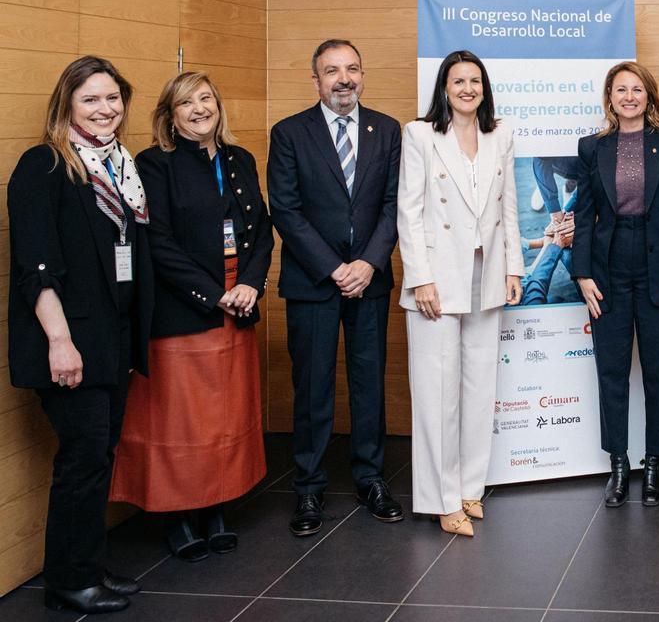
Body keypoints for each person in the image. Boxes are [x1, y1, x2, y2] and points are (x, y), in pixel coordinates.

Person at [8, 55, 153, 614]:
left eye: (113, 98)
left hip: (111, 339)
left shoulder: (120, 167)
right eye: (91, 99)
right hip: (68, 341)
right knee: (83, 457)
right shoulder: (43, 166)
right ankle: (68, 581)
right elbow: (36, 265)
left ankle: (86, 565)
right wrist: (60, 342)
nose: (105, 109)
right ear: (66, 104)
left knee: (99, 455)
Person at [109, 72, 273, 561]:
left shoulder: (239, 159)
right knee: (182, 426)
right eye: (187, 103)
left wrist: (250, 284)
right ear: (170, 115)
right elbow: (156, 242)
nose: (200, 109)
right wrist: (212, 294)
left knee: (226, 419)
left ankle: (216, 508)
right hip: (185, 314)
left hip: (237, 309)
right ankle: (179, 516)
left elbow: (262, 230)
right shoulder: (154, 164)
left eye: (206, 99)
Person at [267, 39, 404, 537]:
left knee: (369, 385)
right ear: (316, 79)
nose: (343, 79)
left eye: (351, 69)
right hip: (312, 282)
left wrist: (368, 262)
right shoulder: (289, 133)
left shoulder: (388, 131)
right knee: (312, 388)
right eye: (331, 71)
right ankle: (308, 486)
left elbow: (395, 205)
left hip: (371, 280)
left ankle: (371, 479)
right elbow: (285, 209)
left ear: (363, 74)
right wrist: (334, 268)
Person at [397, 50, 523, 536]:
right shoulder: (420, 134)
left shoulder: (501, 134)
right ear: (444, 88)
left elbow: (508, 206)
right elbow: (409, 211)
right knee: (436, 392)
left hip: (485, 274)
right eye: (458, 81)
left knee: (478, 386)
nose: (467, 88)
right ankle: (440, 498)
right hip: (437, 278)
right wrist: (419, 277)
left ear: (484, 88)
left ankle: (470, 487)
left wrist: (513, 267)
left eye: (475, 81)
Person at [572, 61, 659, 508]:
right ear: (610, 97)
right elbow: (584, 215)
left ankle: (655, 461)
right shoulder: (592, 147)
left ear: (649, 95)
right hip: (607, 267)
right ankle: (619, 464)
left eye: (637, 89)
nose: (629, 96)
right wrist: (582, 274)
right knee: (612, 369)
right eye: (620, 90)